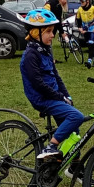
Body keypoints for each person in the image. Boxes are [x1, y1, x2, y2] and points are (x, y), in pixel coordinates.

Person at [18, 9, 85, 163]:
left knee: (73, 131)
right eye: (48, 31)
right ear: (35, 32)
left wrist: (67, 96)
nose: (53, 35)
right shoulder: (31, 55)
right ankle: (51, 147)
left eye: (53, 31)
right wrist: (60, 97)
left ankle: (74, 166)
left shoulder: (46, 50)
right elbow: (38, 84)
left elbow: (56, 76)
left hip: (53, 96)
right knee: (76, 117)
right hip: (42, 99)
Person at [74, 0, 94, 67]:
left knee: (91, 43)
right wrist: (80, 28)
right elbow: (78, 19)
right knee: (90, 45)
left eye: (82, 1)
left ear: (87, 1)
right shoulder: (80, 9)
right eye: (80, 1)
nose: (81, 3)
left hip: (92, 28)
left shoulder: (93, 8)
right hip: (84, 29)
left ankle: (89, 61)